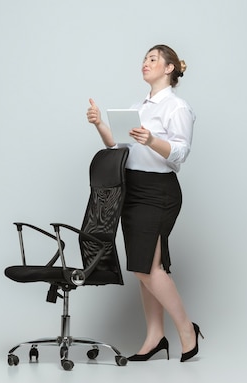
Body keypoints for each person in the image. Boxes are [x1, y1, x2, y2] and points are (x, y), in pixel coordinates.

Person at [86, 44, 203, 362]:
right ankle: (155, 337)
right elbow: (119, 146)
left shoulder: (176, 107)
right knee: (142, 267)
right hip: (132, 189)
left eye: (153, 59)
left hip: (158, 191)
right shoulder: (138, 106)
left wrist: (151, 139)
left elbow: (180, 154)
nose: (145, 63)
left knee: (150, 269)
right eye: (144, 59)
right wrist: (99, 124)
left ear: (169, 68)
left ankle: (187, 331)